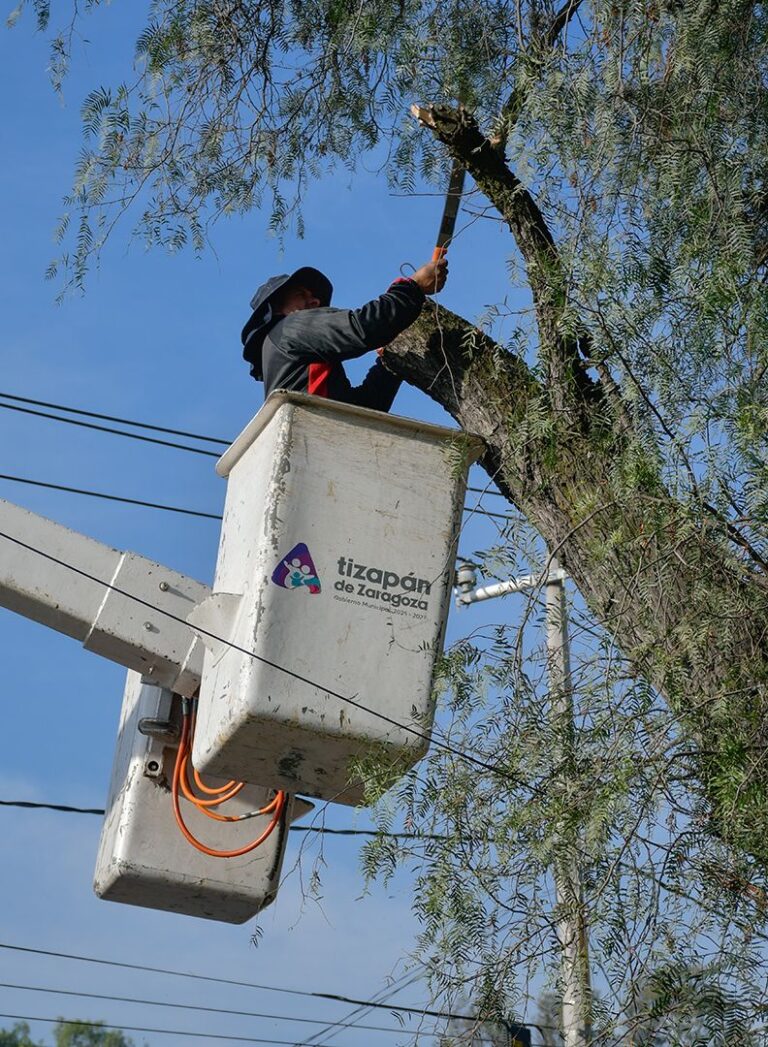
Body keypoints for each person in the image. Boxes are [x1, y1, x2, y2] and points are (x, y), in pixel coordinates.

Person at [240, 257, 448, 412]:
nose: (315, 302)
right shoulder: (288, 328)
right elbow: (364, 327)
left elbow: (363, 409)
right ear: (275, 309)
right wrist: (411, 287)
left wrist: (388, 365)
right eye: (301, 295)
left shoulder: (294, 364)